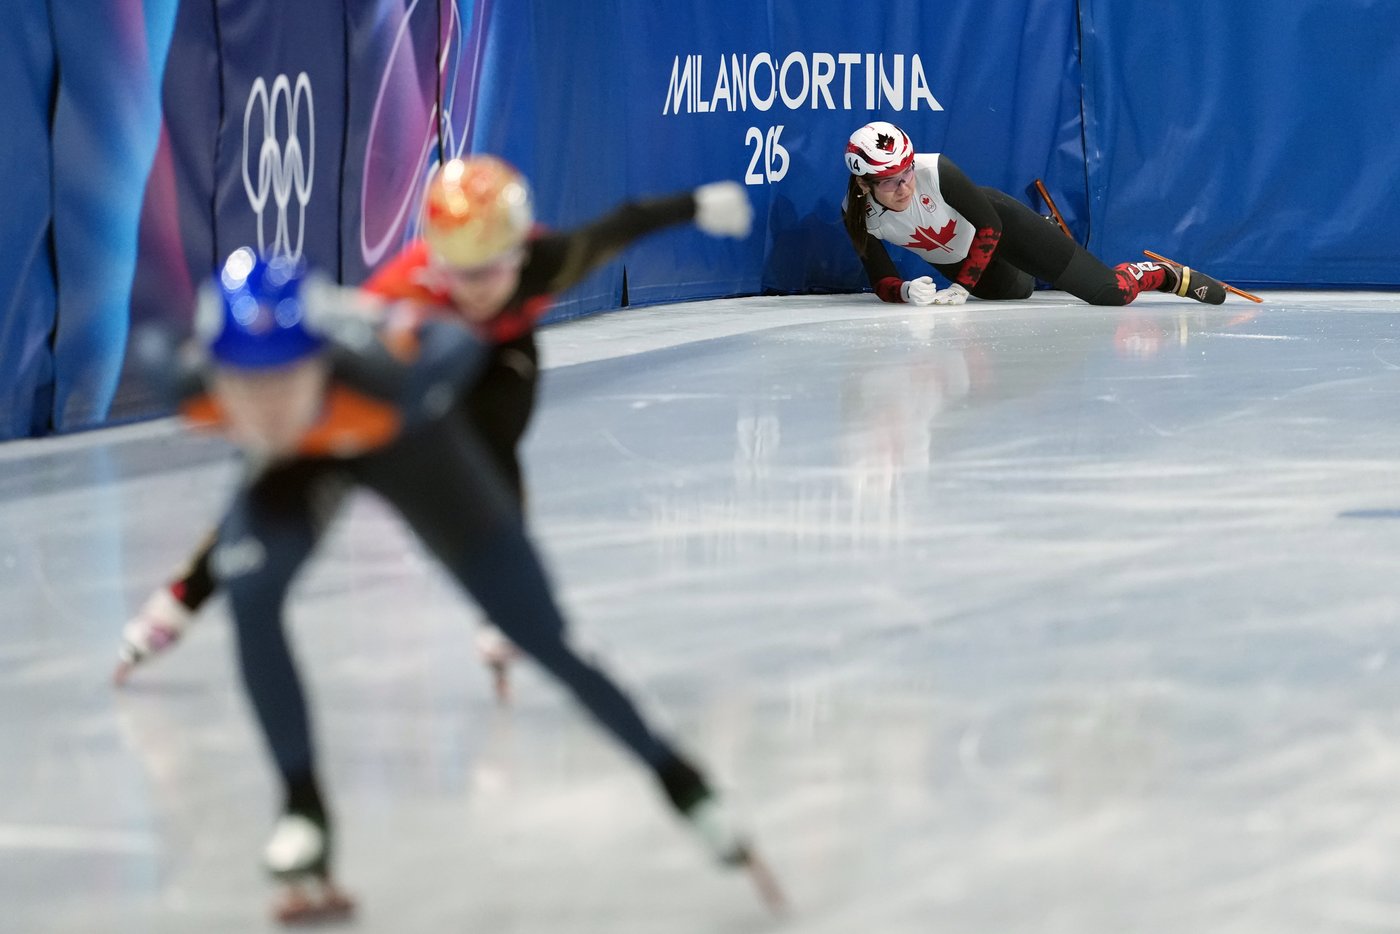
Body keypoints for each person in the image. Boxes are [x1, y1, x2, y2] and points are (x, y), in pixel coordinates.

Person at [163, 248, 781, 922]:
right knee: (252, 599)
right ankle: (302, 809)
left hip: (408, 444)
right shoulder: (187, 383)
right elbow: (225, 523)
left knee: (542, 640)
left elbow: (459, 342)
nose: (266, 411)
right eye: (244, 392)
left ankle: (684, 784)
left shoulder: (394, 373)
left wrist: (383, 323)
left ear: (320, 360)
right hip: (301, 466)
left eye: (283, 385)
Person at [115, 155, 754, 700]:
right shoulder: (402, 292)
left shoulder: (551, 259)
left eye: (490, 270)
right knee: (279, 473)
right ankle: (179, 598)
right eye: (457, 271)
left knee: (495, 453)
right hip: (415, 367)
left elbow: (626, 222)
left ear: (520, 249)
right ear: (432, 260)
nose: (473, 290)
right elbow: (340, 348)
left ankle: (504, 606)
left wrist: (697, 204)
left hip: (502, 358)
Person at [841, 121, 1228, 308]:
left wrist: (961, 287)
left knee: (1110, 293)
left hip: (997, 227)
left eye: (907, 173)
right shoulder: (857, 214)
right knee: (1018, 291)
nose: (905, 186)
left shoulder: (934, 169)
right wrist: (905, 292)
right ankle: (1048, 235)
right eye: (890, 182)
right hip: (961, 259)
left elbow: (990, 225)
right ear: (864, 185)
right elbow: (882, 278)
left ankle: (1162, 274)